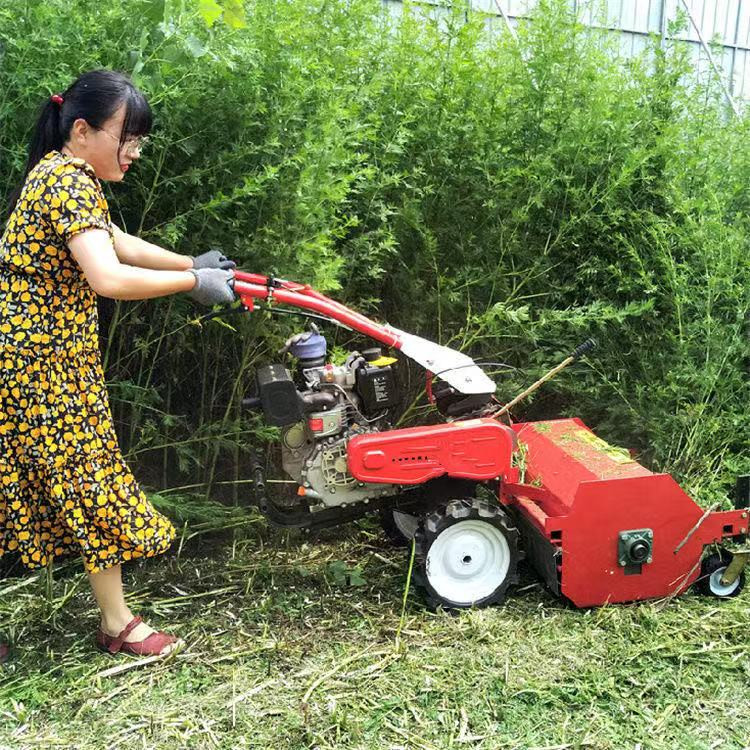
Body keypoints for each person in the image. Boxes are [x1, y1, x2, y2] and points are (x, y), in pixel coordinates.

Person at [0, 69, 235, 660]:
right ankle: (117, 622)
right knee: (91, 478)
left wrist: (193, 260)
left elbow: (117, 244)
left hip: (38, 364)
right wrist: (192, 282)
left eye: (139, 142)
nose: (132, 152)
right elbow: (107, 277)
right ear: (82, 131)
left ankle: (114, 619)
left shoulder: (59, 177)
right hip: (40, 371)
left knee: (33, 485)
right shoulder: (67, 182)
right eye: (125, 138)